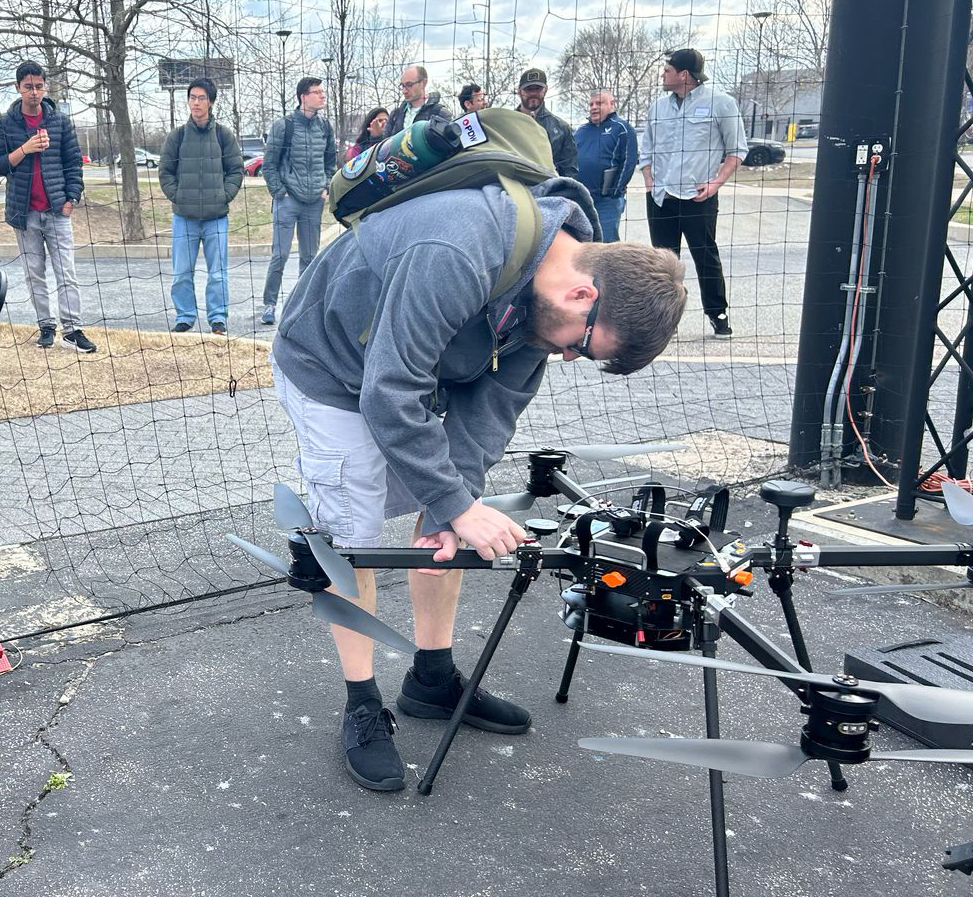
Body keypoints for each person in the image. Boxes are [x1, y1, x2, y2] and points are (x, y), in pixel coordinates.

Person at [271, 176, 687, 792]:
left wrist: (451, 510)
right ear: (581, 293)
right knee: (351, 532)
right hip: (330, 362)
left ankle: (431, 680)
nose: (570, 357)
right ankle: (362, 703)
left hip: (416, 367)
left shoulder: (550, 302)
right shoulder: (458, 250)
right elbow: (390, 391)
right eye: (585, 346)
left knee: (450, 516)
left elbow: (488, 413)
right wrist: (455, 503)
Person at [640, 48, 748, 339]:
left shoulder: (721, 103)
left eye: (667, 70)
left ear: (684, 74)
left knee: (705, 256)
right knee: (664, 263)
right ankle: (666, 320)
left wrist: (716, 184)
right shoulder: (658, 108)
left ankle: (718, 314)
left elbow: (737, 150)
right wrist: (649, 182)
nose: (663, 75)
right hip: (661, 197)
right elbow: (646, 149)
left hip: (698, 197)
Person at [0, 61, 94, 352]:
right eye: (28, 87)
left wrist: (71, 198)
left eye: (39, 86)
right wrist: (25, 149)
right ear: (17, 87)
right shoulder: (5, 123)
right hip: (23, 213)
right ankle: (46, 326)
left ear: (45, 87)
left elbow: (74, 163)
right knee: (34, 273)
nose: (34, 92)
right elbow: (1, 165)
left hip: (56, 211)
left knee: (66, 272)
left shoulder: (60, 121)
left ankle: (72, 329)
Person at [159, 77, 243, 335]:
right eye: (192, 98)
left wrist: (223, 195)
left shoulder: (223, 136)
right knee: (182, 273)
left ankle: (217, 319)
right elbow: (165, 172)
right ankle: (185, 317)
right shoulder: (177, 136)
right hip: (184, 218)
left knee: (218, 273)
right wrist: (178, 196)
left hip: (216, 218)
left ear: (211, 102)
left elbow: (236, 170)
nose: (196, 103)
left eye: (201, 98)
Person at [260, 77, 338, 326]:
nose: (322, 96)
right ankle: (269, 304)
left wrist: (325, 187)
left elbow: (330, 161)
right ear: (304, 97)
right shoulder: (284, 126)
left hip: (314, 201)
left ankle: (302, 307)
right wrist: (279, 192)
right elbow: (268, 165)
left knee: (310, 257)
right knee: (280, 255)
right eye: (317, 92)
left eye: (323, 91)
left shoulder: (325, 127)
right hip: (288, 200)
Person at [574, 89, 638, 243]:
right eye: (591, 104)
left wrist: (615, 191)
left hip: (606, 201)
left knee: (605, 245)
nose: (594, 107)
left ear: (612, 104)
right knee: (580, 243)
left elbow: (628, 161)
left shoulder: (622, 129)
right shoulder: (580, 132)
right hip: (581, 199)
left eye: (599, 103)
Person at [515, 68, 578, 179]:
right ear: (519, 91)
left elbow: (569, 171)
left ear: (545, 90)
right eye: (528, 89)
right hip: (513, 185)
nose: (533, 93)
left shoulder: (562, 129)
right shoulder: (507, 124)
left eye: (538, 89)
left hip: (549, 186)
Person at [384, 66, 451, 136]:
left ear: (424, 83)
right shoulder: (395, 115)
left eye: (409, 85)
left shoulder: (439, 113)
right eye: (402, 86)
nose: (404, 91)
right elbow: (385, 142)